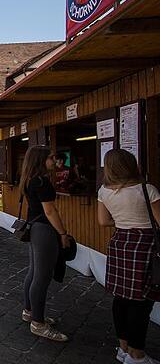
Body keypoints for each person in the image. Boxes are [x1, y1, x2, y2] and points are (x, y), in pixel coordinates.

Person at [97, 149, 160, 364]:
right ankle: (137, 354)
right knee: (141, 302)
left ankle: (123, 348)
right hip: (144, 245)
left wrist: (123, 222)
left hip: (119, 242)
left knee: (121, 298)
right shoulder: (147, 189)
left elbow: (104, 221)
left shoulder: (104, 191)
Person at [19, 145, 70, 342]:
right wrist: (63, 233)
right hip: (44, 230)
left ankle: (29, 311)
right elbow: (50, 211)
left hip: (33, 228)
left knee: (33, 273)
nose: (54, 161)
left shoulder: (29, 180)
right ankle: (38, 323)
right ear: (41, 160)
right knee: (42, 276)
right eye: (51, 157)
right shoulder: (42, 182)